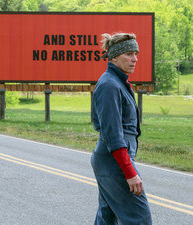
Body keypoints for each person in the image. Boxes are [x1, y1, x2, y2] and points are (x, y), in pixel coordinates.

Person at [91, 33, 152, 225]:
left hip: (111, 161)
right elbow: (113, 136)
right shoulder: (109, 85)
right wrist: (130, 172)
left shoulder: (117, 82)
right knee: (139, 219)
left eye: (136, 53)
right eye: (128, 54)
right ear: (114, 57)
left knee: (107, 218)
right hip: (113, 162)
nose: (134, 59)